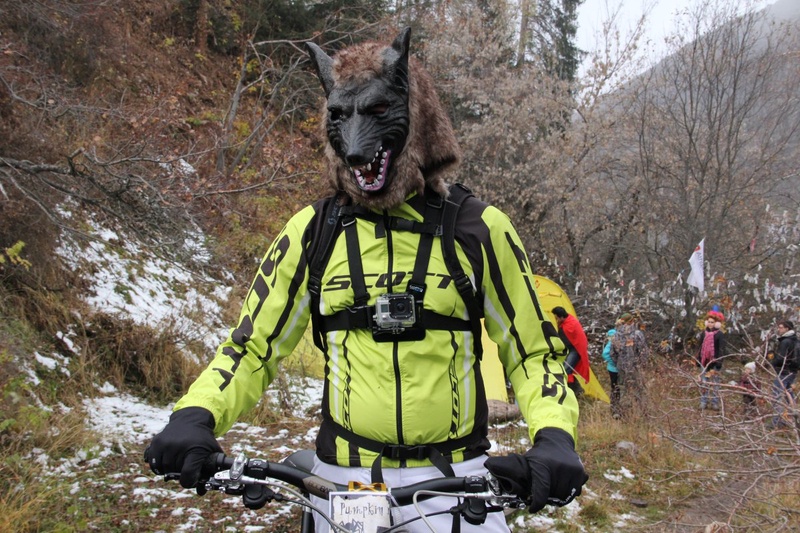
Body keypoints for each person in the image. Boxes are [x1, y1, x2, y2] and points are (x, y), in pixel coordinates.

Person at [144, 28, 587, 532]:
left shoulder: (480, 231)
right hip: (338, 484)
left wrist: (554, 437)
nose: (356, 149)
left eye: (377, 114)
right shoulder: (312, 234)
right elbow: (251, 349)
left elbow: (534, 354)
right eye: (339, 117)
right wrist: (196, 414)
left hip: (459, 483)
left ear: (416, 118)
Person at [608, 313, 648, 419]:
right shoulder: (637, 334)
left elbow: (612, 353)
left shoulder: (616, 335)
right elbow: (643, 352)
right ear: (631, 321)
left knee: (623, 389)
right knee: (639, 389)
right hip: (635, 367)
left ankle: (623, 414)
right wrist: (642, 364)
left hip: (621, 367)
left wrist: (619, 363)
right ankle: (642, 413)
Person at [552, 306, 591, 399]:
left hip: (575, 350)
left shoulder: (570, 324)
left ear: (561, 317)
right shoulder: (565, 322)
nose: (556, 319)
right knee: (566, 369)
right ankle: (576, 391)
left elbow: (570, 340)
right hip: (571, 349)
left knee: (566, 370)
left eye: (556, 317)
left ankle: (575, 391)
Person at [768, 320, 798, 429]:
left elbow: (781, 358)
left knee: (777, 396)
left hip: (783, 371)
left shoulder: (785, 342)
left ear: (787, 328)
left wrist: (772, 362)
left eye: (780, 327)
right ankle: (792, 418)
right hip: (792, 372)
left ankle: (777, 421)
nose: (778, 329)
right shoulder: (795, 340)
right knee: (789, 397)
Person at [696, 311, 725, 410]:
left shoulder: (720, 334)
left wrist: (719, 361)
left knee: (715, 384)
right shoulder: (703, 333)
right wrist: (698, 359)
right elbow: (700, 347)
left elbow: (721, 348)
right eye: (708, 321)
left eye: (712, 322)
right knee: (704, 382)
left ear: (717, 323)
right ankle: (703, 401)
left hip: (715, 362)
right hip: (705, 362)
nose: (710, 324)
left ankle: (715, 402)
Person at [601, 327, 619, 415]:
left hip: (613, 368)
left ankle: (615, 407)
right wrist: (614, 363)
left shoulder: (612, 340)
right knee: (615, 388)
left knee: (615, 387)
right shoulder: (612, 342)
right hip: (614, 369)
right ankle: (614, 408)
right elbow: (605, 354)